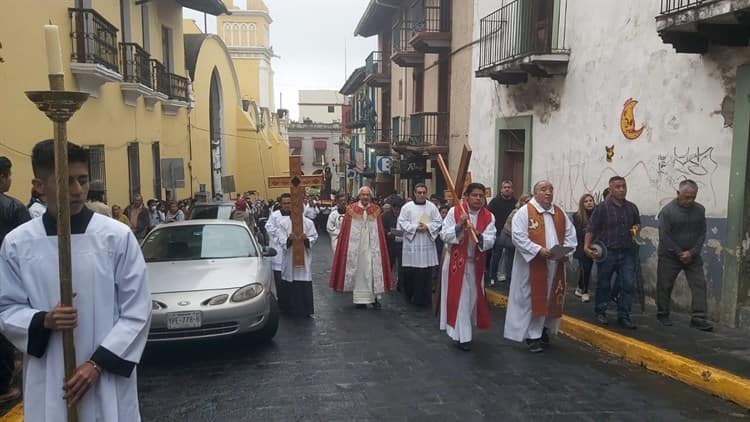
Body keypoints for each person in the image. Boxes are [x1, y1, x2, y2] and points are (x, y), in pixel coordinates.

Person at [0, 140, 151, 421]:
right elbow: (6, 308)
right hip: (49, 376)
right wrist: (44, 320)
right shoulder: (18, 244)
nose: (78, 191)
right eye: (65, 181)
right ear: (39, 186)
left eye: (82, 180)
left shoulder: (116, 237)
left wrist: (97, 364)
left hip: (105, 377)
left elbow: (138, 310)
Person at [504, 181, 576, 353]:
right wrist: (537, 250)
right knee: (531, 298)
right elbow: (518, 237)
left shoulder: (559, 213)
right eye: (543, 190)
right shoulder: (525, 212)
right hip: (532, 265)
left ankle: (542, 330)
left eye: (551, 189)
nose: (548, 193)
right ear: (535, 193)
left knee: (550, 297)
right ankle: (532, 336)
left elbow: (570, 235)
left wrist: (567, 252)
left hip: (554, 265)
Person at [439, 183, 496, 351]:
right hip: (456, 263)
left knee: (471, 299)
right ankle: (464, 337)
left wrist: (478, 235)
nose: (478, 198)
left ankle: (460, 333)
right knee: (461, 299)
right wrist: (459, 226)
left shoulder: (488, 216)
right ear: (467, 196)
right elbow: (444, 235)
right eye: (475, 195)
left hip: (474, 263)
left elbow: (491, 239)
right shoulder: (455, 212)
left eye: (481, 195)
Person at [656, 180, 713, 331]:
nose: (690, 201)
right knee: (664, 285)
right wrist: (679, 253)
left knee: (699, 284)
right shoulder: (667, 212)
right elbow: (664, 236)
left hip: (692, 256)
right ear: (678, 193)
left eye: (693, 197)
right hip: (669, 256)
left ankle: (698, 318)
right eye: (687, 197)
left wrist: (692, 252)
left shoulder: (700, 210)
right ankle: (662, 313)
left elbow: (702, 233)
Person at [585, 176, 640, 329]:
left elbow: (637, 223)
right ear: (610, 190)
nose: (622, 189)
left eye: (623, 186)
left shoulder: (632, 207)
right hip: (607, 252)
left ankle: (624, 315)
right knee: (604, 283)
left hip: (627, 251)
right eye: (618, 187)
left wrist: (635, 229)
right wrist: (586, 246)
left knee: (627, 284)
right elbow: (592, 228)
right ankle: (600, 311)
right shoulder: (602, 208)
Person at [329, 186, 393, 309]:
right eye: (363, 194)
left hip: (372, 246)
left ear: (370, 196)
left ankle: (374, 298)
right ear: (359, 196)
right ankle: (360, 299)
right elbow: (346, 231)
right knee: (359, 271)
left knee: (372, 270)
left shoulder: (375, 210)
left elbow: (379, 231)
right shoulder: (351, 209)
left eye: (367, 195)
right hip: (356, 248)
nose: (365, 197)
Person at [0, 156, 30, 403]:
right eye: (9, 176)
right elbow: (28, 251)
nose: (10, 181)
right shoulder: (14, 208)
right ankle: (4, 385)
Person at [397, 183, 442, 306]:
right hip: (412, 245)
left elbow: (438, 221)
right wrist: (415, 228)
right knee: (411, 273)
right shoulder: (407, 207)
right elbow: (401, 222)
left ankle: (425, 300)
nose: (422, 195)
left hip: (426, 243)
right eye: (419, 192)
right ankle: (411, 297)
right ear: (415, 193)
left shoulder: (432, 207)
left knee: (426, 273)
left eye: (424, 192)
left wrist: (427, 226)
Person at [277, 195, 319, 317]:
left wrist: (307, 240)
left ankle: (306, 310)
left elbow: (314, 237)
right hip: (289, 258)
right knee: (290, 279)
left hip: (304, 258)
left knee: (303, 278)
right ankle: (289, 310)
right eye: (288, 204)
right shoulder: (283, 223)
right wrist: (288, 240)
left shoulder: (308, 222)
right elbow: (281, 241)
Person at [487, 180, 516, 284]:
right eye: (505, 187)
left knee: (510, 256)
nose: (507, 189)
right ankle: (492, 277)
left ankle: (509, 278)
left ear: (512, 190)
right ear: (501, 189)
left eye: (509, 187)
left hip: (510, 234)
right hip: (498, 232)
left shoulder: (515, 203)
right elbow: (488, 216)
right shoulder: (495, 202)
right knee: (496, 255)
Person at [265, 196, 290, 313]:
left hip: (291, 250)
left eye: (289, 203)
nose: (287, 205)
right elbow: (269, 227)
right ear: (280, 204)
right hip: (278, 250)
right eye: (284, 203)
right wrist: (280, 236)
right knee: (279, 279)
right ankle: (282, 302)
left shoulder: (295, 214)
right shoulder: (275, 215)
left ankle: (292, 300)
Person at [573, 193, 596, 303]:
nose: (589, 203)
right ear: (582, 204)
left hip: (596, 245)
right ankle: (585, 291)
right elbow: (579, 232)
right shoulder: (577, 216)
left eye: (590, 200)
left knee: (587, 268)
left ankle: (579, 286)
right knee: (586, 268)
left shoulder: (597, 214)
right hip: (582, 245)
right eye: (586, 201)